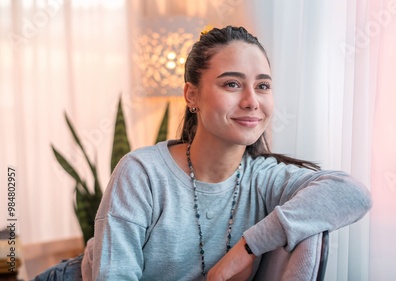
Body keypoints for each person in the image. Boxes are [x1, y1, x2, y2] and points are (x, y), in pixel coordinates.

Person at [34, 25, 372, 281]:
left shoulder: (265, 177)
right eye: (232, 84)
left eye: (263, 85)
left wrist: (247, 248)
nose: (252, 100)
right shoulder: (142, 172)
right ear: (192, 95)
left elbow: (352, 193)